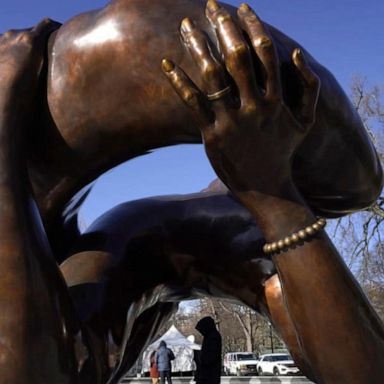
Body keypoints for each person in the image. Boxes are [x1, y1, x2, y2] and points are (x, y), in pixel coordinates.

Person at [195, 317, 222, 384]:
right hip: (208, 373)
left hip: (209, 374)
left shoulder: (213, 336)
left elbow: (211, 356)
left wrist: (201, 359)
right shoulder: (210, 336)